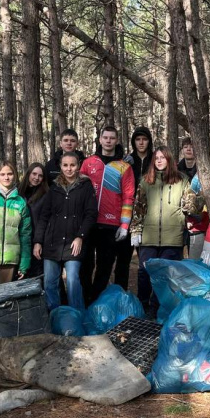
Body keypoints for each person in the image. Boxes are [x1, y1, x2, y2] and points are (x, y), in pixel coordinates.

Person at [130, 147, 199, 316]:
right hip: (149, 237)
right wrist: (135, 230)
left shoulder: (181, 180)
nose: (159, 161)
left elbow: (191, 206)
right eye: (157, 158)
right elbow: (138, 208)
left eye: (163, 158)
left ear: (169, 160)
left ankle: (157, 309)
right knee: (144, 273)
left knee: (166, 276)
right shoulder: (146, 181)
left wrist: (198, 199)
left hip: (173, 238)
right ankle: (143, 306)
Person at [34, 152, 97, 311]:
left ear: (78, 166)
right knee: (50, 282)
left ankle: (78, 315)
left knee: (73, 280)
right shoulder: (54, 188)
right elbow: (44, 216)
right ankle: (56, 316)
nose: (69, 169)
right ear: (60, 167)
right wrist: (38, 241)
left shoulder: (85, 186)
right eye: (65, 165)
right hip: (52, 243)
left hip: (73, 243)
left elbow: (91, 214)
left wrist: (80, 237)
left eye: (72, 165)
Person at [80, 126, 136, 300]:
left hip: (110, 224)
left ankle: (96, 301)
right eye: (106, 137)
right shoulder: (89, 162)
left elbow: (129, 197)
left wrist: (124, 225)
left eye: (112, 138)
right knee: (85, 266)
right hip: (88, 222)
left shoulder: (124, 166)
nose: (109, 141)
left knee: (104, 267)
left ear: (116, 140)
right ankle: (84, 300)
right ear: (100, 139)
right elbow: (77, 191)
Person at [178, 138, 208, 259]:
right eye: (186, 147)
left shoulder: (204, 170)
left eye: (192, 146)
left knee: (195, 260)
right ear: (182, 150)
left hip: (199, 222)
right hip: (179, 221)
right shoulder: (176, 170)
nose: (189, 149)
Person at [18, 162, 50, 277]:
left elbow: (44, 221)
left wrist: (38, 242)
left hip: (36, 242)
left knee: (36, 276)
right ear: (28, 174)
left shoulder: (46, 195)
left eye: (40, 176)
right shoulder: (17, 192)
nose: (36, 178)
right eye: (34, 174)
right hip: (18, 240)